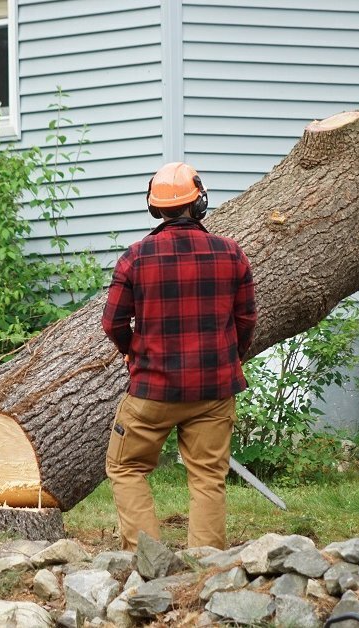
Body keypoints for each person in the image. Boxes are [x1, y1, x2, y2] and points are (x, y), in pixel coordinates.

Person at [101, 162, 257, 550]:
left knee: (125, 466)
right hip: (214, 390)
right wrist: (226, 359)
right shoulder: (231, 253)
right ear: (199, 202)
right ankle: (206, 568)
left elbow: (113, 323)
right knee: (207, 476)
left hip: (153, 391)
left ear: (155, 208)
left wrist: (132, 351)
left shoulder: (135, 258)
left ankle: (146, 559)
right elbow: (246, 319)